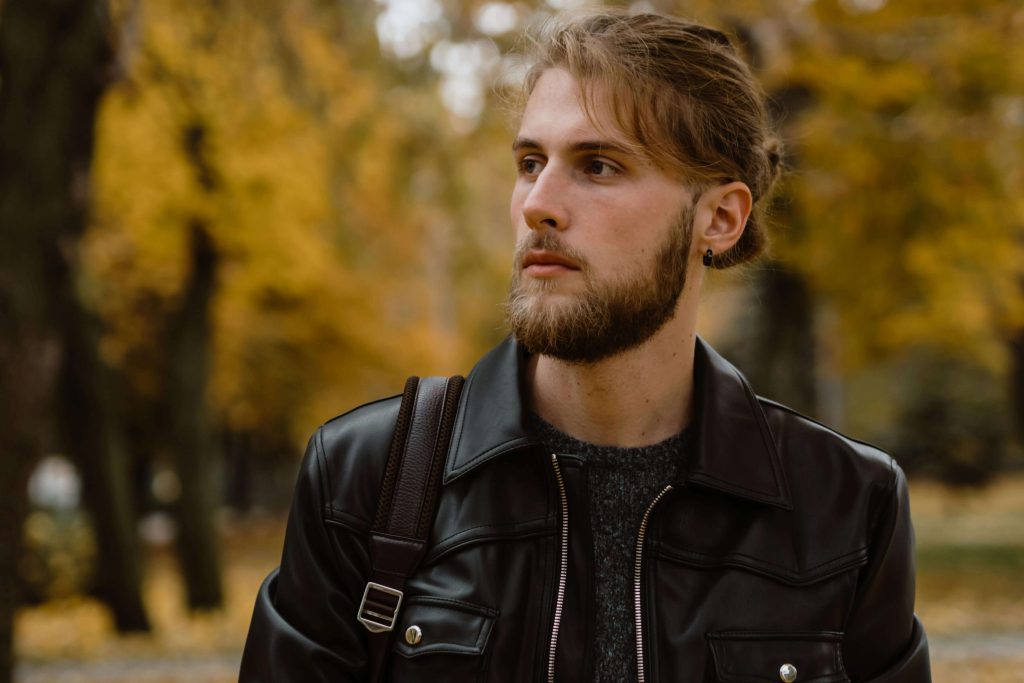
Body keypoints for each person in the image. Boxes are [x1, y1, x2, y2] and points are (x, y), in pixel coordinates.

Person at [240, 10, 931, 682]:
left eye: (598, 165)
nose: (539, 202)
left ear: (719, 217)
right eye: (530, 161)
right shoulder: (367, 478)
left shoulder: (846, 503)